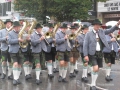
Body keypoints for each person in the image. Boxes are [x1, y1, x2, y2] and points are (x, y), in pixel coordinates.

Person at [83, 19, 120, 90]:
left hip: (100, 53)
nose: (97, 26)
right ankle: (92, 85)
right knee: (95, 68)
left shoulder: (102, 31)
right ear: (94, 25)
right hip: (92, 53)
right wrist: (86, 55)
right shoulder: (88, 34)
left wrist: (117, 24)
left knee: (97, 69)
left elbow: (110, 30)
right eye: (96, 25)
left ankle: (93, 84)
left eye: (99, 25)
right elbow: (85, 45)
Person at [8, 21, 24, 85]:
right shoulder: (10, 33)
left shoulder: (22, 33)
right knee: (15, 64)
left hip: (20, 50)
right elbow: (9, 41)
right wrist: (18, 40)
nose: (18, 28)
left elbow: (24, 41)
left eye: (19, 27)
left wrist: (25, 39)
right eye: (17, 27)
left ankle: (17, 78)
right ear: (14, 27)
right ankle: (15, 78)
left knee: (20, 65)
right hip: (13, 50)